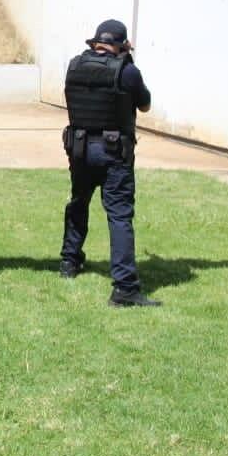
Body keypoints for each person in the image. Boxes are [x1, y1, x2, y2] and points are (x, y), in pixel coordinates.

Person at [60, 19, 158, 307]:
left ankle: (69, 260)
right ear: (122, 44)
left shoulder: (74, 66)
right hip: (114, 152)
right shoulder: (127, 71)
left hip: (79, 149)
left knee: (78, 202)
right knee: (119, 215)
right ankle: (125, 287)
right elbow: (145, 104)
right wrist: (129, 61)